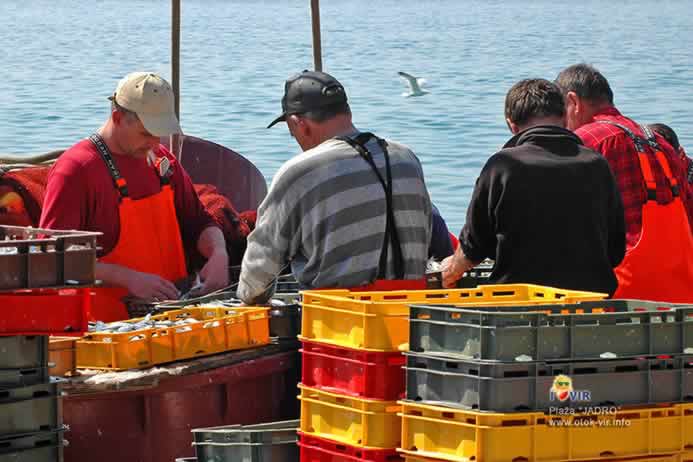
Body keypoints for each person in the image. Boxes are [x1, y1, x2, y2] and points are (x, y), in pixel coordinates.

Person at [40, 72, 229, 321]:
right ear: (117, 118)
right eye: (145, 133)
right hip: (105, 335)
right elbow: (50, 260)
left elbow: (199, 222)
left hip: (173, 325)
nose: (153, 143)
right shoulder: (76, 170)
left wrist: (218, 253)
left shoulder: (163, 161)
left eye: (159, 134)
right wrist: (127, 279)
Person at [237, 70, 432, 304]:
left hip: (339, 320)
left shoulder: (300, 172)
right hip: (411, 313)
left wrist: (247, 298)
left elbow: (260, 268)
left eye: (292, 133)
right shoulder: (406, 157)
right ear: (346, 112)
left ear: (298, 123)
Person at [442, 78, 625, 295]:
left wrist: (450, 272)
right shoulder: (597, 164)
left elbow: (474, 247)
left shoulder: (503, 166)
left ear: (512, 125)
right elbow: (615, 251)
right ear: (565, 118)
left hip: (521, 304)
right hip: (591, 302)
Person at [556, 64, 693, 302]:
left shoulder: (585, 141)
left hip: (622, 296)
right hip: (680, 298)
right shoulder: (661, 142)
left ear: (573, 102)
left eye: (560, 112)